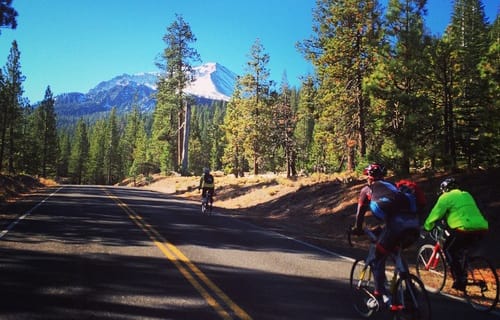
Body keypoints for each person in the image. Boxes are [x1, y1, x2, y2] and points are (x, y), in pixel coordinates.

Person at [351, 163, 420, 308]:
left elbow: (360, 215)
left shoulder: (367, 190)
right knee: (396, 252)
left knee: (377, 256)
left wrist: (357, 229)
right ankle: (409, 289)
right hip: (413, 225)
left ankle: (379, 295)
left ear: (369, 176)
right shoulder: (393, 187)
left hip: (395, 227)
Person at [423, 177, 489, 291]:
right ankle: (466, 266)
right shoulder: (466, 194)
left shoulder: (445, 197)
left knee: (449, 250)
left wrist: (427, 227)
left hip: (463, 228)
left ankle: (460, 279)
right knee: (462, 248)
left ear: (444, 189)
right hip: (481, 227)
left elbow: (436, 213)